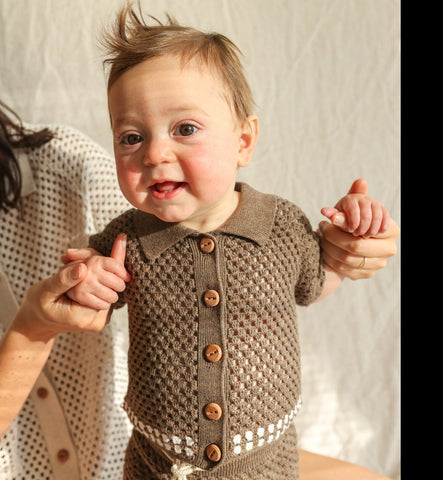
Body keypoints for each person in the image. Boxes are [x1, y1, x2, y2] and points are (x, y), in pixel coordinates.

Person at [63, 5, 399, 480]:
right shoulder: (128, 238)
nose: (155, 153)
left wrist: (351, 239)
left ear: (243, 141)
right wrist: (87, 281)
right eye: (132, 137)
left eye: (185, 129)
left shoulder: (279, 225)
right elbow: (83, 295)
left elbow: (313, 281)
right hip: (157, 462)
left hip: (265, 461)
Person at [0, 100, 132, 479]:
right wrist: (33, 327)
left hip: (115, 461)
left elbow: (181, 259)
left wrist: (108, 275)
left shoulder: (69, 164)